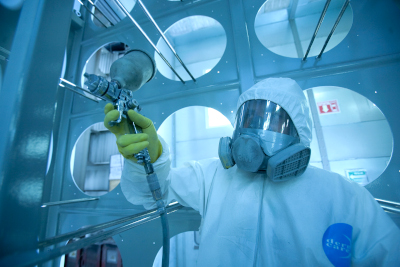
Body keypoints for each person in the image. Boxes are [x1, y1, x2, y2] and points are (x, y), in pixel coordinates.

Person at [104, 78, 400, 266]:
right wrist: (149, 157)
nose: (253, 134)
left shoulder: (344, 197)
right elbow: (153, 193)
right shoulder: (214, 176)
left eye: (271, 123)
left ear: (299, 134)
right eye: (249, 119)